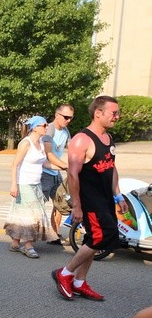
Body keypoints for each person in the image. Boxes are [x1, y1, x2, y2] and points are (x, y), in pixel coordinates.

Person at [52, 96, 125, 301]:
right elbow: (73, 174)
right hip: (89, 200)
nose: (117, 116)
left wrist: (118, 195)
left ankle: (79, 282)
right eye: (114, 113)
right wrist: (77, 206)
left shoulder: (108, 139)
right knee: (102, 237)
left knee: (93, 239)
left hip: (105, 198)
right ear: (98, 113)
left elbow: (111, 168)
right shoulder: (81, 140)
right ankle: (65, 273)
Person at [4, 116, 58, 258]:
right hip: (24, 183)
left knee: (22, 214)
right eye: (44, 125)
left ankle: (15, 243)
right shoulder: (26, 143)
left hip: (36, 183)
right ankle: (28, 246)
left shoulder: (40, 142)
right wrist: (14, 185)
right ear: (35, 127)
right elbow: (14, 165)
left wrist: (63, 166)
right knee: (33, 215)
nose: (46, 128)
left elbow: (43, 163)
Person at [41, 104, 74, 242]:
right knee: (38, 204)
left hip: (56, 172)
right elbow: (48, 154)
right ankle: (26, 236)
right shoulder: (49, 130)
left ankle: (54, 234)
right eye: (66, 117)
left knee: (61, 203)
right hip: (43, 172)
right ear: (57, 115)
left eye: (71, 118)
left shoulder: (65, 131)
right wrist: (66, 166)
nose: (68, 120)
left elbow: (72, 149)